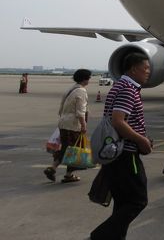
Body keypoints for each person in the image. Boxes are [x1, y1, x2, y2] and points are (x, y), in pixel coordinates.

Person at [91, 53, 153, 240]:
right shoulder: (128, 89)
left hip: (117, 154)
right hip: (126, 155)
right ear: (133, 69)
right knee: (138, 200)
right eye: (146, 68)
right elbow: (118, 121)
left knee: (122, 202)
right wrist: (141, 140)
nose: (148, 72)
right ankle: (98, 236)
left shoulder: (120, 86)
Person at [44, 68, 91, 183]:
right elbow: (80, 112)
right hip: (73, 125)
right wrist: (83, 126)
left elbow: (61, 108)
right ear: (85, 79)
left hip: (64, 122)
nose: (89, 79)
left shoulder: (71, 88)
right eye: (89, 77)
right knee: (74, 149)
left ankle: (52, 168)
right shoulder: (81, 91)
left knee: (66, 148)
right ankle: (68, 174)